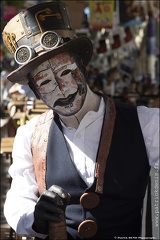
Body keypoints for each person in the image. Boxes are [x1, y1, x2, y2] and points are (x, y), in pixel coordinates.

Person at [2, 2, 159, 240]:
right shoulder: (30, 136)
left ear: (82, 68)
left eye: (65, 72)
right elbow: (18, 198)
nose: (62, 90)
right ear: (35, 92)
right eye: (45, 83)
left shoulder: (146, 124)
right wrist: (35, 217)